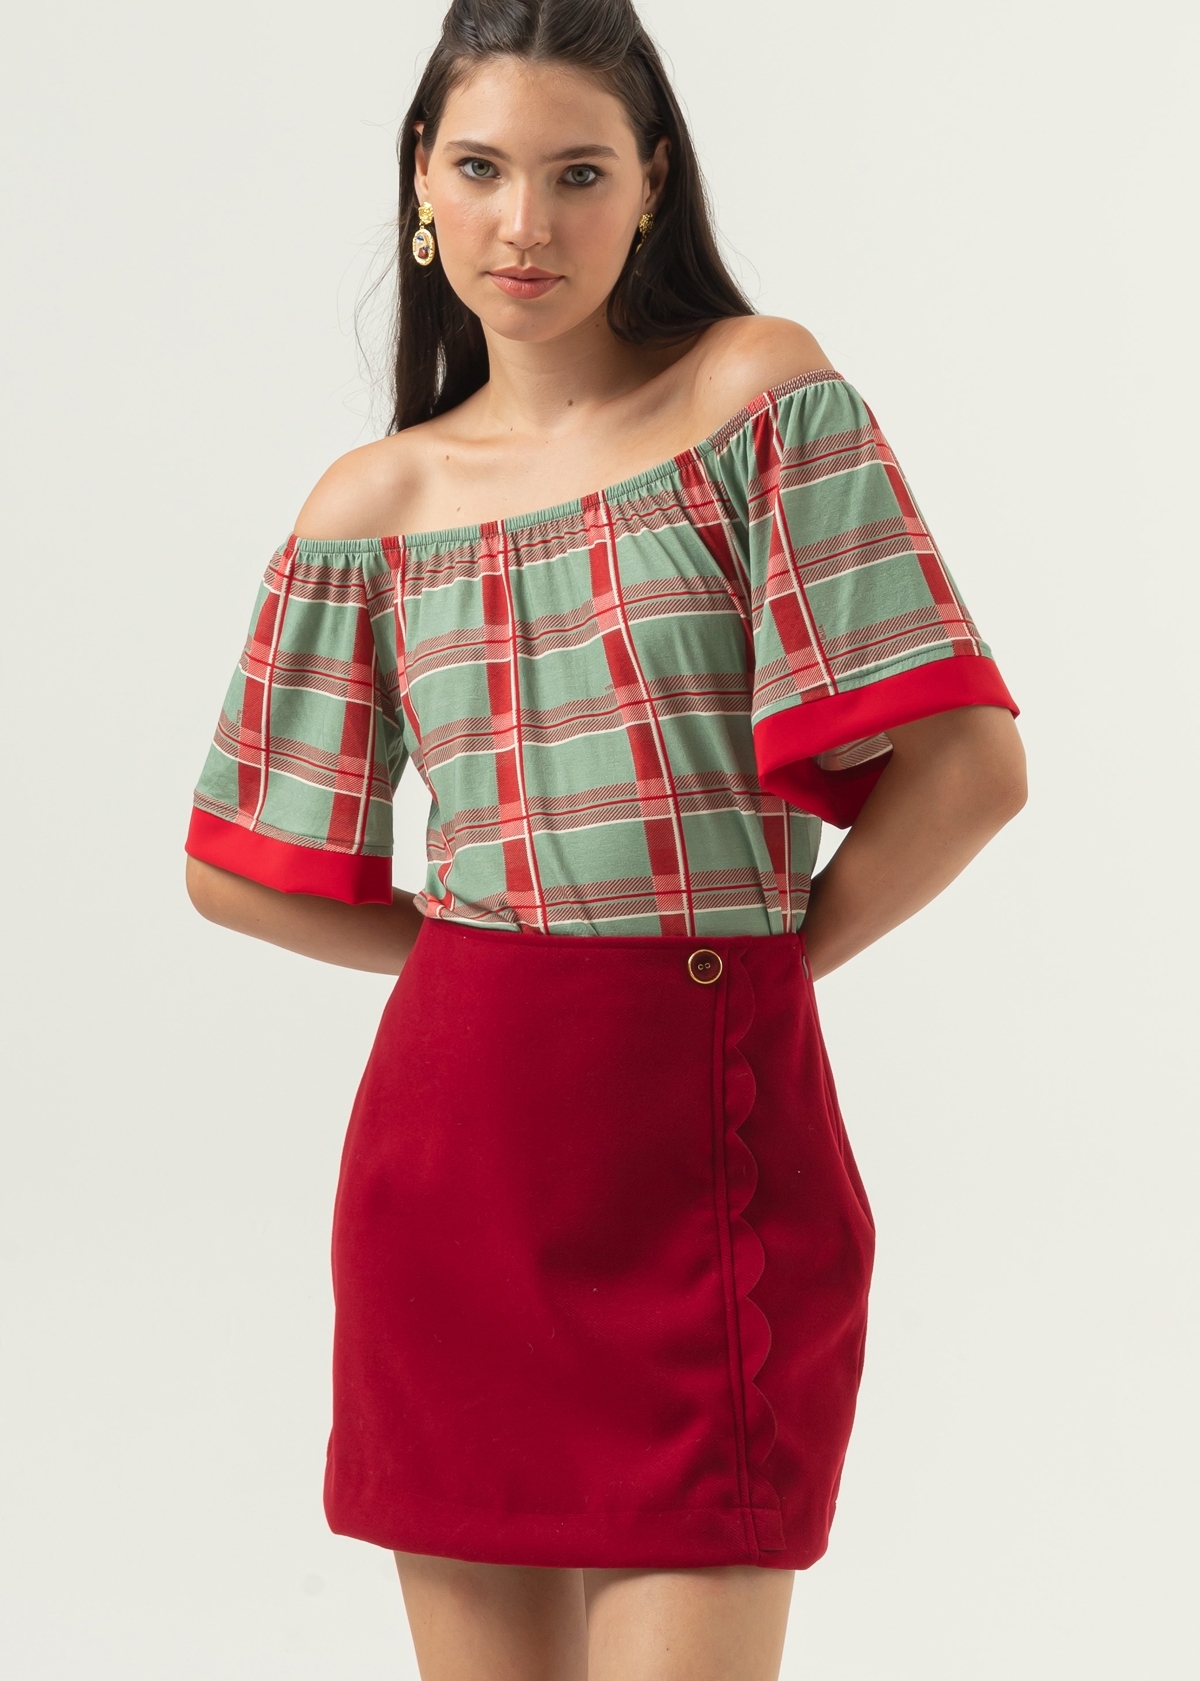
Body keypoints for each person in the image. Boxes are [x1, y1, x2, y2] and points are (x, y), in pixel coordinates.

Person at [184, 1, 1027, 1675]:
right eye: (481, 169)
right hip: (453, 1178)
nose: (526, 223)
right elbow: (235, 868)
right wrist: (489, 964)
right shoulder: (373, 506)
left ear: (651, 185)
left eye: (578, 173)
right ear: (421, 184)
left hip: (711, 1138)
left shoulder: (758, 394)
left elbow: (970, 769)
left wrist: (757, 971)